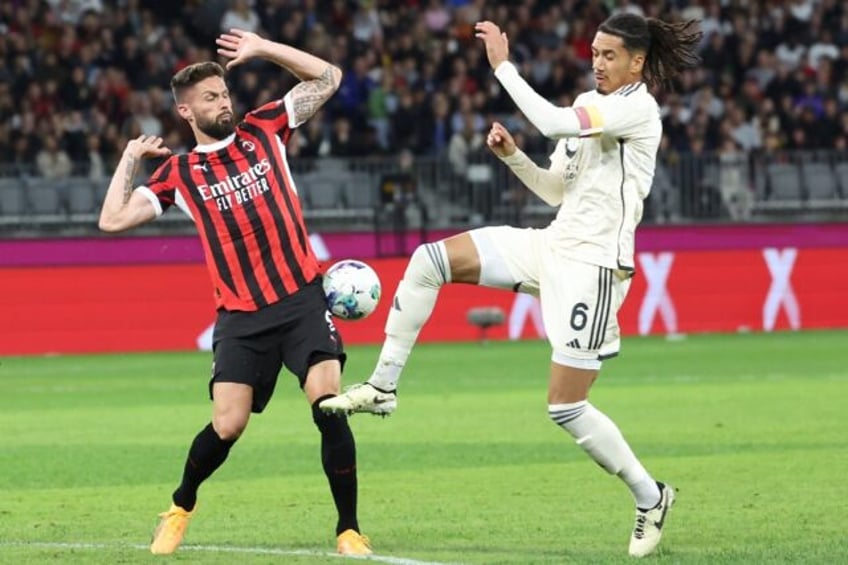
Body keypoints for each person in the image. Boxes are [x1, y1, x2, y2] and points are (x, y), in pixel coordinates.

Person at [322, 13, 701, 558]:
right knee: (429, 260)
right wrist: (513, 158)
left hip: (593, 269)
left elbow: (549, 121)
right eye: (594, 51)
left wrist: (502, 67)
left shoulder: (635, 109)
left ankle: (650, 496)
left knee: (565, 408)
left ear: (637, 62)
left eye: (609, 55)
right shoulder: (588, 105)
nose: (597, 61)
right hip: (551, 245)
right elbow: (554, 192)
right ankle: (383, 387)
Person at [98, 29, 372, 557]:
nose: (222, 103)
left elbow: (330, 78)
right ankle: (179, 507)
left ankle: (349, 530)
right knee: (228, 425)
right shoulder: (179, 173)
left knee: (329, 406)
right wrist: (131, 157)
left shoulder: (265, 128)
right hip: (241, 317)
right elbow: (112, 220)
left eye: (223, 93)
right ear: (185, 111)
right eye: (209, 98)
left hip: (301, 300)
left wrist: (264, 48)